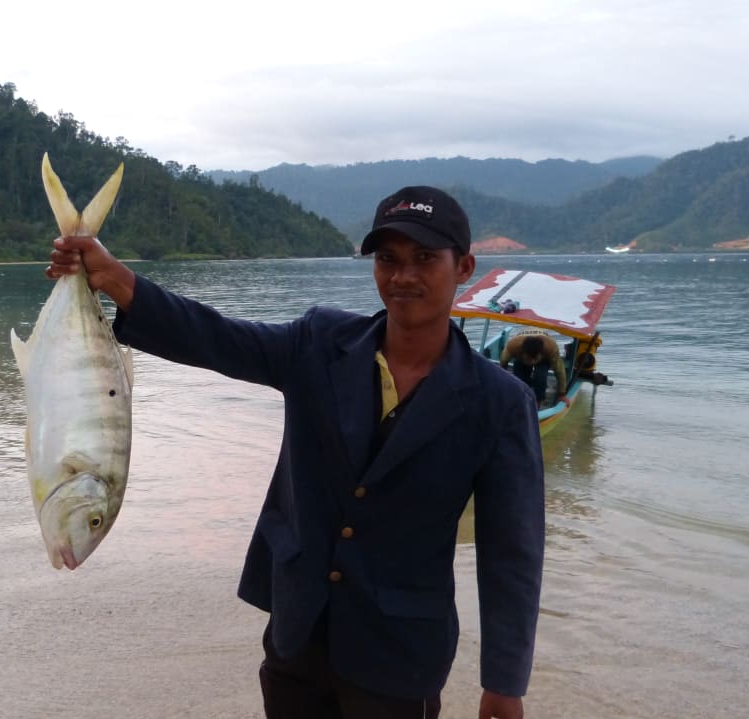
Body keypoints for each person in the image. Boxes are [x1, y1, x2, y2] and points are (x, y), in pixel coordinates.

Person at [46, 185, 545, 719]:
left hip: (401, 656)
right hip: (296, 631)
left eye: (425, 259)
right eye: (388, 259)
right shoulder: (319, 343)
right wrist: (118, 281)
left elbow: (511, 549)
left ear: (464, 266)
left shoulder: (499, 403)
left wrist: (504, 680)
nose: (403, 276)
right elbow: (219, 339)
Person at [500, 334, 567, 408]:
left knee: (540, 376)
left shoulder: (551, 348)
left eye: (534, 360)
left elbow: (560, 371)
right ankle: (520, 396)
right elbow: (503, 366)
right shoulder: (512, 346)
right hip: (521, 358)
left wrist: (562, 394)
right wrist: (502, 386)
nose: (531, 362)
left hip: (543, 358)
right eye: (529, 359)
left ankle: (538, 403)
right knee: (519, 377)